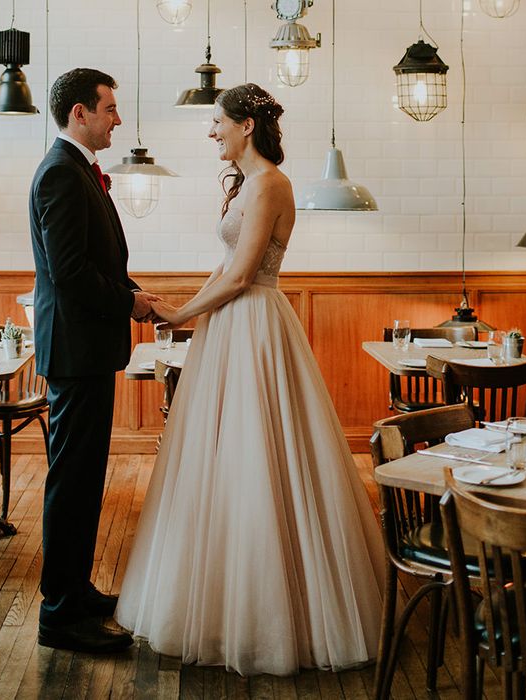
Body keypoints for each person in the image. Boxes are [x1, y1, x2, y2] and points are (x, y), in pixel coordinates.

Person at [114, 83, 385, 676]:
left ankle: (276, 611)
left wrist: (180, 315)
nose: (211, 132)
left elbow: (241, 278)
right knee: (222, 454)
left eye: (217, 122)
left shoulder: (271, 185)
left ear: (245, 126)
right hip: (230, 326)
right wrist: (186, 304)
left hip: (256, 323)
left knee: (264, 449)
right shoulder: (246, 185)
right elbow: (225, 267)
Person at [29, 68, 158, 653]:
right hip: (75, 351)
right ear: (79, 113)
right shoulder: (60, 173)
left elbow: (95, 262)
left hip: (86, 349)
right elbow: (70, 273)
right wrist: (128, 303)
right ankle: (59, 614)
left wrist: (135, 291)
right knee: (71, 483)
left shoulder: (79, 171)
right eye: (109, 108)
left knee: (82, 482)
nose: (118, 118)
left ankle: (75, 591)